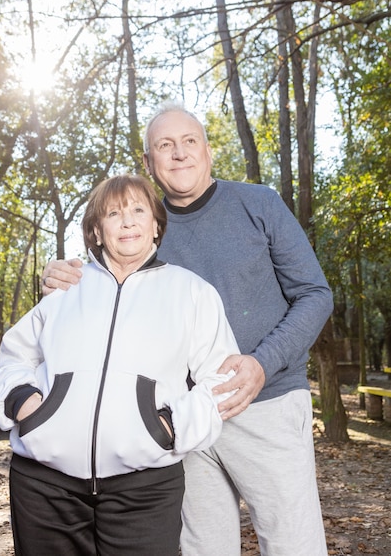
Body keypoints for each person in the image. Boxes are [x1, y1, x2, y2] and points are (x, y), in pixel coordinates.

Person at [41, 102, 334, 556]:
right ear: (148, 162)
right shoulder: (142, 225)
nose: (179, 154)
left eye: (189, 141)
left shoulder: (259, 204)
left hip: (266, 405)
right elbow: (105, 291)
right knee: (203, 548)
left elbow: (315, 294)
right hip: (182, 417)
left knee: (293, 544)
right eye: (164, 145)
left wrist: (263, 362)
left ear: (208, 150)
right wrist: (61, 273)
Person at [0, 173, 241, 556]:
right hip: (44, 488)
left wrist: (169, 428)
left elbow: (221, 378)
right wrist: (27, 405)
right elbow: (15, 357)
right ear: (96, 231)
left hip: (145, 490)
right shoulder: (65, 287)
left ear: (156, 224)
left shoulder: (192, 292)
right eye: (113, 213)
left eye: (139, 210)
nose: (127, 221)